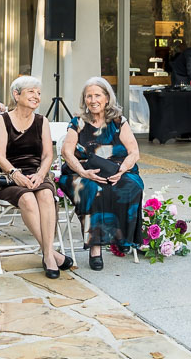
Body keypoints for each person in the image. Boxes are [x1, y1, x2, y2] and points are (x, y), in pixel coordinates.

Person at [59, 77, 144, 270]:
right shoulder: (77, 122)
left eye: (97, 95)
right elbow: (67, 152)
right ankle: (95, 248)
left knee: (132, 186)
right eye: (89, 96)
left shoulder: (118, 121)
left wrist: (121, 171)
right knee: (93, 188)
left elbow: (134, 152)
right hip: (81, 171)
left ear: (107, 98)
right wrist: (84, 172)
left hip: (116, 170)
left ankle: (122, 239)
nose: (93, 100)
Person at [0, 76, 73, 279]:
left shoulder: (41, 121)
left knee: (46, 195)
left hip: (36, 173)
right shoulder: (2, 121)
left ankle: (47, 253)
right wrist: (15, 174)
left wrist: (40, 174)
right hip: (9, 176)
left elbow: (47, 155)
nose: (36, 96)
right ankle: (51, 253)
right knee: (28, 198)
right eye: (31, 92)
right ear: (16, 95)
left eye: (38, 93)